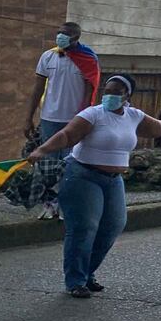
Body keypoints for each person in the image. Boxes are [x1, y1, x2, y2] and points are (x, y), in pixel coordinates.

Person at [27, 74, 161, 297]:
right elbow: (67, 136)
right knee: (84, 228)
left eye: (116, 92)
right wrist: (42, 150)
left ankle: (87, 273)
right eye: (107, 91)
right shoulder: (92, 114)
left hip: (113, 180)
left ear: (127, 95)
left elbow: (160, 127)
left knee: (113, 225)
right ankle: (76, 281)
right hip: (83, 175)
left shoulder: (133, 116)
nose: (109, 96)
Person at [24, 21, 100, 219]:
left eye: (65, 34)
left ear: (76, 37)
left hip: (74, 120)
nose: (60, 36)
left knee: (70, 165)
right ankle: (49, 204)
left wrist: (84, 118)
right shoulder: (48, 56)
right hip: (49, 118)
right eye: (59, 32)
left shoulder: (87, 58)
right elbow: (37, 88)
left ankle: (66, 204)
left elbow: (90, 90)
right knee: (47, 165)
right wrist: (28, 117)